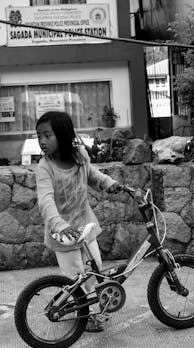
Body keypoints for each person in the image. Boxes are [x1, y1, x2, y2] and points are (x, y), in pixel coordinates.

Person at [34, 111, 122, 332]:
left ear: (62, 135)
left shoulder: (80, 155)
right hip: (63, 233)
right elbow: (45, 201)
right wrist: (60, 225)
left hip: (85, 225)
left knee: (96, 269)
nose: (42, 141)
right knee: (75, 277)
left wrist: (108, 183)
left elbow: (90, 174)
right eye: (39, 136)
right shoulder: (45, 168)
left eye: (47, 135)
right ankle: (84, 315)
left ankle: (94, 312)